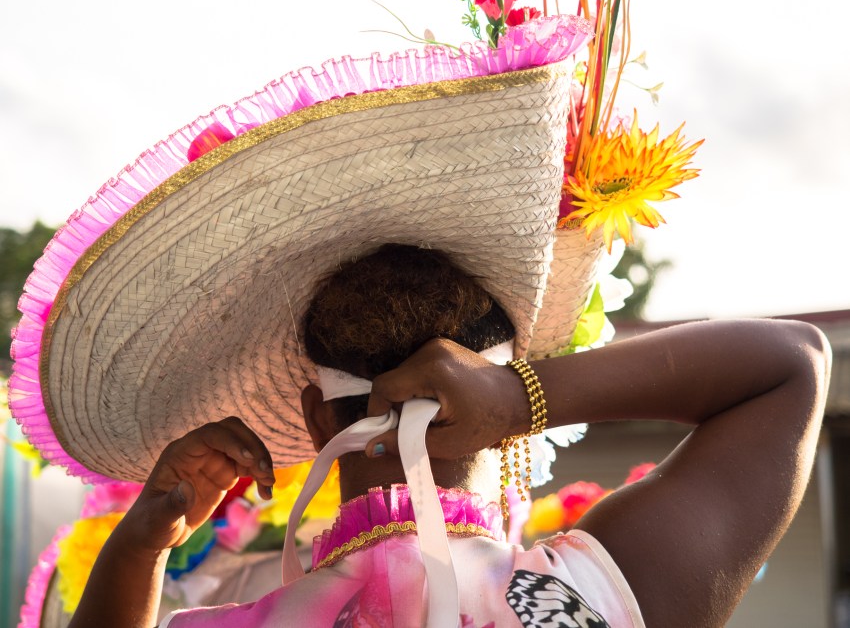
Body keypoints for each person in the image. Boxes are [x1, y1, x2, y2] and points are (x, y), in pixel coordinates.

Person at [63, 243, 830, 628]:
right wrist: (526, 395)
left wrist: (138, 549)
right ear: (496, 406)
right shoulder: (584, 598)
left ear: (314, 416)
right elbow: (790, 365)